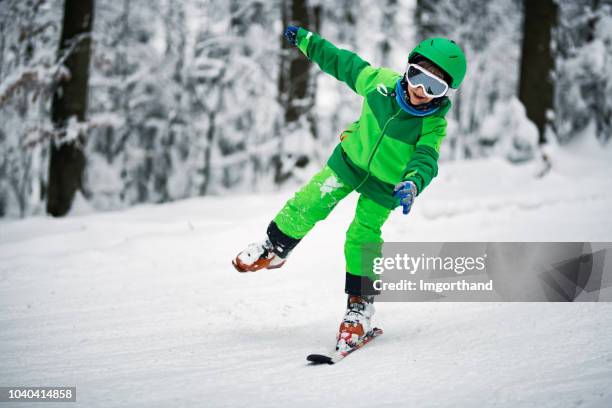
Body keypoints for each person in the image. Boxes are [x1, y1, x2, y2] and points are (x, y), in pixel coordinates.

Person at [232, 26, 467, 351]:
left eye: (433, 85)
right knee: (311, 200)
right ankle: (274, 247)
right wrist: (308, 42)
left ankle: (360, 305)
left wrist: (413, 182)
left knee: (362, 237)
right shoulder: (380, 83)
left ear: (445, 92)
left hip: (387, 185)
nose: (420, 90)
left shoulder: (432, 123)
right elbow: (343, 63)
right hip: (350, 161)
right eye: (416, 76)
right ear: (407, 68)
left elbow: (427, 157)